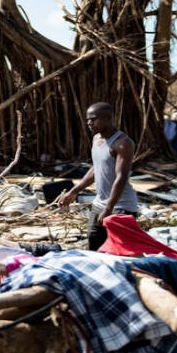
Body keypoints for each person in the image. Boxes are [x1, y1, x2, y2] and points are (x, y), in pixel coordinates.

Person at [58, 102, 138, 250]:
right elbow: (96, 169)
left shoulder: (123, 143)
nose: (89, 123)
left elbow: (121, 177)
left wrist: (109, 208)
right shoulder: (96, 139)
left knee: (120, 250)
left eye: (93, 119)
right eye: (88, 119)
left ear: (108, 118)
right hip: (100, 204)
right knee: (94, 244)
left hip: (121, 206)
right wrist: (74, 191)